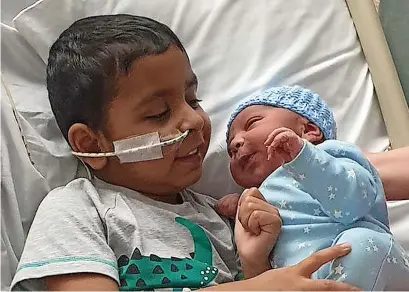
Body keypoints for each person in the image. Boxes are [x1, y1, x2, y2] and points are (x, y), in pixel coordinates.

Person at [9, 14, 408, 291]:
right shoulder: (77, 209)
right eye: (159, 113)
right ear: (91, 145)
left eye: (193, 100)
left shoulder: (221, 216)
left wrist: (254, 264)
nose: (194, 122)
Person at [220, 85, 409, 290]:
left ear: (309, 130)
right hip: (307, 280)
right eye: (230, 150)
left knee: (359, 244)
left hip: (366, 258)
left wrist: (306, 159)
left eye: (251, 124)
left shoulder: (332, 155)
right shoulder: (260, 195)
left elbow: (354, 203)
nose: (236, 143)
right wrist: (239, 207)